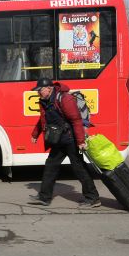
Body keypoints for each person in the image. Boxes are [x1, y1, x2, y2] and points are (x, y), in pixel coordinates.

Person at [29, 78, 100, 207]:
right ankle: (44, 197)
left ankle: (92, 197)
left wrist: (80, 141)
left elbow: (76, 120)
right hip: (58, 140)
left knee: (79, 168)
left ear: (49, 89)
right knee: (51, 165)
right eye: (37, 91)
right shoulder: (44, 101)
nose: (38, 93)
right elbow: (43, 120)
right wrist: (35, 134)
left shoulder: (64, 98)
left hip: (70, 140)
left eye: (40, 90)